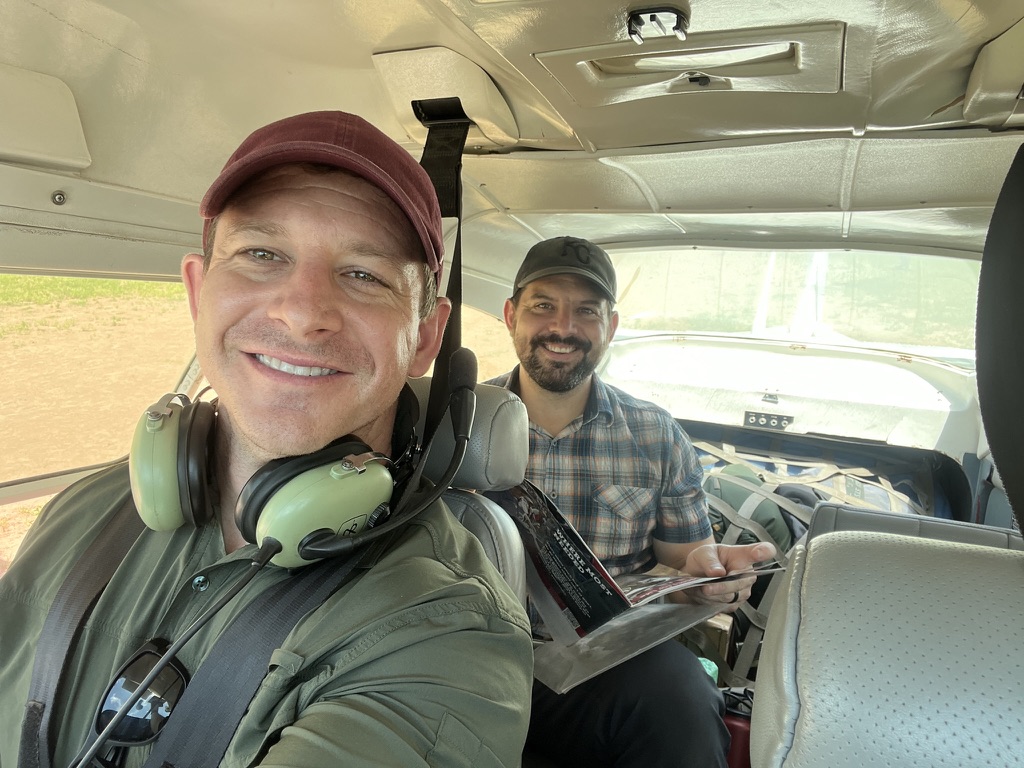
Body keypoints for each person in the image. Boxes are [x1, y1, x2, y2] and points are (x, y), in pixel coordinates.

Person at [0, 111, 533, 766]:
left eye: (363, 274)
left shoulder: (448, 631)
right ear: (199, 292)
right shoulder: (82, 511)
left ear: (425, 337)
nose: (302, 311)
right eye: (261, 255)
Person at [486, 235, 777, 767]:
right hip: (468, 650)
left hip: (607, 665)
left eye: (586, 312)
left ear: (611, 328)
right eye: (543, 306)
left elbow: (686, 572)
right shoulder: (456, 424)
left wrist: (708, 583)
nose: (563, 328)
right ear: (510, 315)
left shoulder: (655, 435)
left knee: (683, 701)